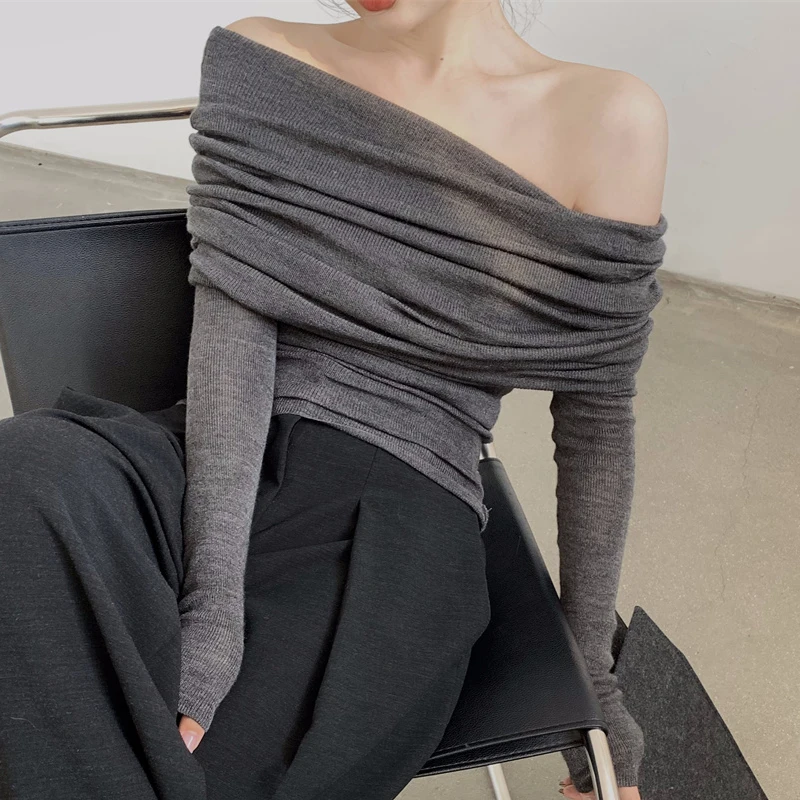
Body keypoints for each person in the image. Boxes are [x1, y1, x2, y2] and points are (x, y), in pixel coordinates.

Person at [0, 2, 668, 799]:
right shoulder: (266, 56)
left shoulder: (611, 119)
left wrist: (596, 680)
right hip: (208, 456)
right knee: (24, 474)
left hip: (403, 516)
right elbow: (234, 327)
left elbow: (596, 420)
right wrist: (212, 611)